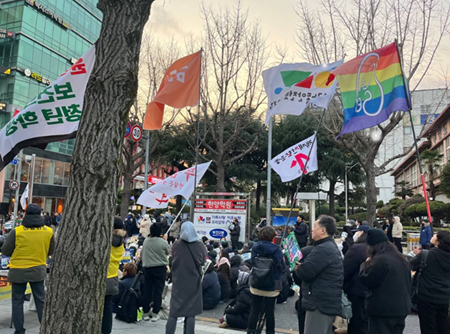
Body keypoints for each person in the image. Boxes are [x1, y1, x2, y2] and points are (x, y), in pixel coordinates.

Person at [1, 204, 55, 334]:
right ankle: (44, 329)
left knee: (17, 301)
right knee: (40, 301)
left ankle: (19, 331)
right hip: (38, 270)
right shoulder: (48, 231)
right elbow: (51, 250)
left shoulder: (17, 231)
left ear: (25, 214)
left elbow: (6, 251)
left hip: (18, 271)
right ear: (40, 215)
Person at [295, 215, 343, 334]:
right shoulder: (328, 246)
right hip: (325, 301)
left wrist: (298, 267)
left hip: (319, 303)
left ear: (323, 230)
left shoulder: (323, 249)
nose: (312, 229)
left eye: (315, 226)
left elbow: (306, 272)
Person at [359, 229, 411, 334]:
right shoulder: (400, 258)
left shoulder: (380, 260)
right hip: (401, 307)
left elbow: (367, 279)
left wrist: (364, 265)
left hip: (382, 309)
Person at [166, 221, 207, 334]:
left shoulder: (176, 245)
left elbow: (171, 260)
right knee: (190, 311)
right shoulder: (199, 245)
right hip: (193, 281)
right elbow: (203, 260)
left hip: (178, 280)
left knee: (174, 311)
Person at [410, 230, 450, 334]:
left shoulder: (426, 255)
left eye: (435, 235)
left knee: (428, 327)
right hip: (445, 297)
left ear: (438, 242)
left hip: (426, 296)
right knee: (443, 326)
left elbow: (408, 265)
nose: (433, 235)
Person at [247, 226, 284, 334]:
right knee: (270, 313)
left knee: (254, 310)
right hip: (271, 286)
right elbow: (281, 266)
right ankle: (270, 332)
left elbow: (252, 261)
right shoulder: (276, 249)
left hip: (256, 283)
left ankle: (251, 331)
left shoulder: (255, 247)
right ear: (272, 237)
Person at [343, 225, 370, 334]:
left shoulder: (357, 248)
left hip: (357, 291)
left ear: (362, 232)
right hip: (372, 292)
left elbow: (346, 269)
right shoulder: (375, 247)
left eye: (357, 232)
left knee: (357, 322)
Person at [142, 222, 170, 322]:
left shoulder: (146, 241)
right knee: (158, 291)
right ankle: (155, 313)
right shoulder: (162, 242)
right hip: (160, 269)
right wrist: (165, 240)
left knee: (147, 290)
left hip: (148, 268)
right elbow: (168, 251)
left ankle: (145, 312)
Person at [102, 217, 126, 334]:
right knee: (108, 307)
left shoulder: (105, 241)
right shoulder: (121, 243)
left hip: (102, 277)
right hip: (113, 277)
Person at [292, 246, 314, 334]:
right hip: (323, 295)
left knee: (303, 318)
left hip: (305, 290)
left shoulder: (304, 251)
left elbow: (297, 276)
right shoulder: (332, 250)